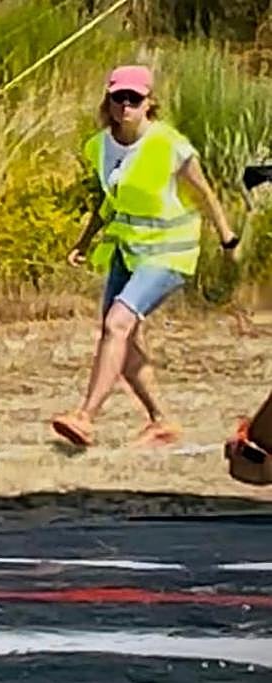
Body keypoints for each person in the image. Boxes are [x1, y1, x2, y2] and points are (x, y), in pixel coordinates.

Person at [51, 65, 239, 448]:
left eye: (134, 99)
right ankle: (161, 421)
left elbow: (205, 194)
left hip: (170, 252)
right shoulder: (99, 145)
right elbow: (109, 198)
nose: (125, 106)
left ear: (149, 103)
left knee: (117, 325)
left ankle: (85, 417)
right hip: (128, 249)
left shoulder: (170, 145)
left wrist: (228, 241)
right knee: (122, 336)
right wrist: (83, 241)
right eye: (119, 97)